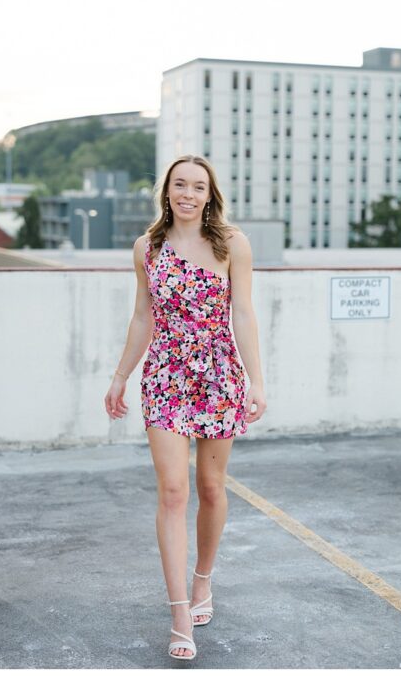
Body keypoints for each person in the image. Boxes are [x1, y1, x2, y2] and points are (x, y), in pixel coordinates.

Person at [104, 154, 267, 661]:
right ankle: (179, 614)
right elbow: (141, 317)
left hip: (218, 374)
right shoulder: (147, 248)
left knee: (211, 488)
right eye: (180, 185)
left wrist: (256, 380)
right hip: (166, 376)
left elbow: (243, 313)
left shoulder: (232, 244)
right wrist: (119, 376)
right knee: (173, 491)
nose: (188, 194)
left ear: (209, 194)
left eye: (198, 186)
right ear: (167, 191)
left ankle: (203, 581)